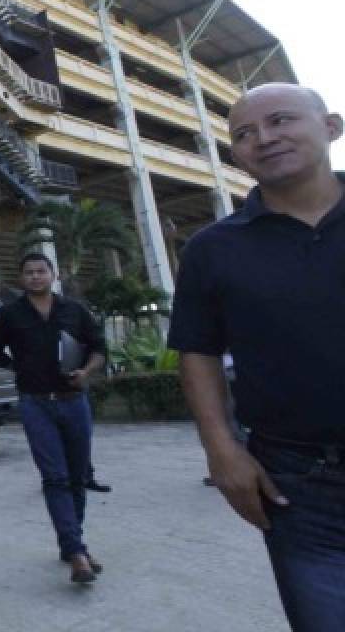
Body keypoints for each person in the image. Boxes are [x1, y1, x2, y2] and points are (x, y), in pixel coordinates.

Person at [169, 83, 345, 630]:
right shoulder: (213, 248)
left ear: (331, 127)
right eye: (244, 134)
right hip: (297, 481)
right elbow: (196, 350)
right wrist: (222, 451)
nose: (263, 139)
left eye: (281, 121)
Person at [0, 253, 107, 584]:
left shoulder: (75, 311)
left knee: (78, 477)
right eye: (29, 272)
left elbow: (99, 347)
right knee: (55, 477)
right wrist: (17, 367)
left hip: (75, 401)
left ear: (54, 274)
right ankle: (77, 551)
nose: (35, 276)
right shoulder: (9, 315)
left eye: (41, 271)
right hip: (36, 405)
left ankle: (72, 545)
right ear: (21, 278)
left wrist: (86, 371)